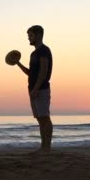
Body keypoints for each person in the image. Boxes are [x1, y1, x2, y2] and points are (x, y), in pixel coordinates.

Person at [14, 25, 53, 153]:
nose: (28, 38)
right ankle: (43, 146)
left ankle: (47, 147)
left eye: (30, 36)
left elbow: (44, 70)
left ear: (39, 35)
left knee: (45, 118)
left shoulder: (44, 50)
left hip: (41, 89)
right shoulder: (33, 54)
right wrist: (18, 63)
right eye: (28, 36)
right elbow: (31, 73)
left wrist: (36, 88)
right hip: (33, 89)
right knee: (40, 119)